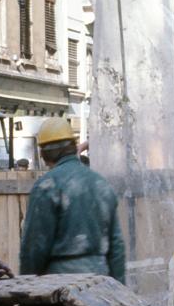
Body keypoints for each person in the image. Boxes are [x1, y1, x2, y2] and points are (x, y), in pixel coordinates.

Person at [20, 119, 126, 282]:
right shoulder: (101, 184)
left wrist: (25, 290)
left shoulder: (47, 187)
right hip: (101, 282)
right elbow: (117, 246)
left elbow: (34, 248)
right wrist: (120, 290)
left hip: (59, 287)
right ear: (72, 147)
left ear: (44, 154)